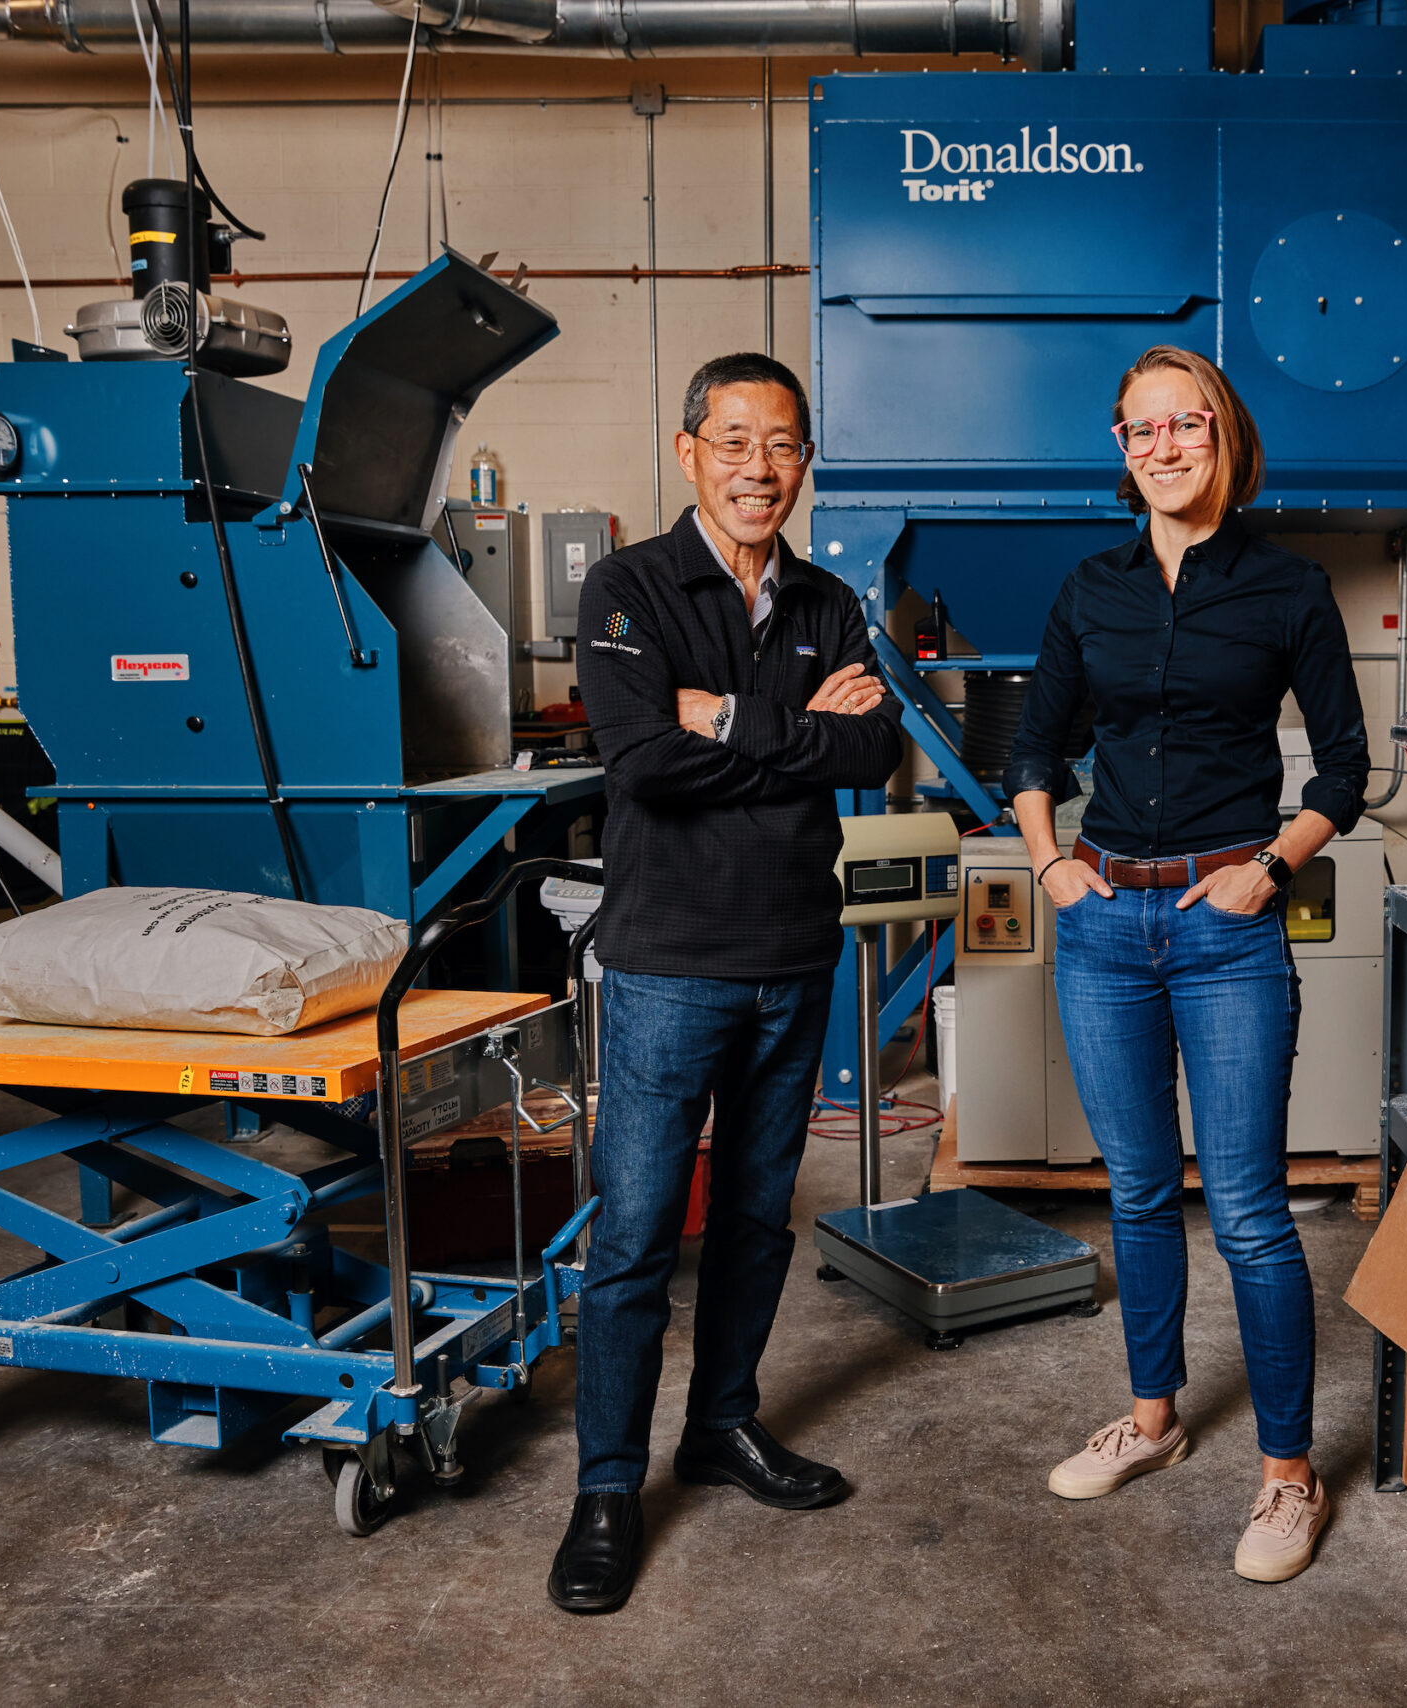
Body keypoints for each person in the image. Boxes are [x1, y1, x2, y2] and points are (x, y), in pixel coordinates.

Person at [1004, 345, 1369, 1584]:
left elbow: (1341, 773)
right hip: (1104, 923)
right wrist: (1054, 867)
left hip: (1226, 926)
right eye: (1140, 428)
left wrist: (1269, 868)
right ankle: (1153, 1421)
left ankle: (1286, 1477)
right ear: (1121, 447)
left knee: (1256, 1217)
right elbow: (1033, 746)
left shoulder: (1288, 591)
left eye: (1186, 424)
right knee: (1141, 1193)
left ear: (1226, 436)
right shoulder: (1087, 590)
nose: (1163, 446)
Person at [551, 352, 905, 1615]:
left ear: (805, 461)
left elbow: (874, 748)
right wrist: (788, 728)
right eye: (738, 442)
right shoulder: (629, 587)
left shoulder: (825, 598)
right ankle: (605, 1487)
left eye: (786, 445)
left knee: (758, 1222)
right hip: (670, 966)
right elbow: (641, 766)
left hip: (794, 956)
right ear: (691, 449)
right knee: (639, 1234)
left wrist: (730, 718)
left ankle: (723, 1426)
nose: (763, 468)